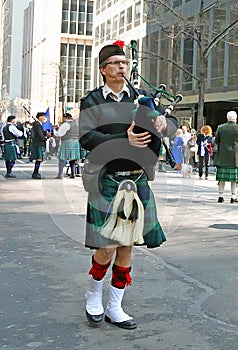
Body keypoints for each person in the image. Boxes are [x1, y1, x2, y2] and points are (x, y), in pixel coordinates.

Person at [79, 42, 178, 329]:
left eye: (125, 62)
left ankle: (115, 306)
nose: (122, 67)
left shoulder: (141, 97)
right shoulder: (93, 101)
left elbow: (170, 121)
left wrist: (163, 122)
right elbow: (87, 138)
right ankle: (94, 294)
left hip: (136, 179)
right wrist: (124, 141)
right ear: (103, 70)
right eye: (115, 63)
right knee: (107, 246)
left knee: (126, 247)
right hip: (107, 178)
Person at [215, 111, 238, 203]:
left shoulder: (220, 127)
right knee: (234, 179)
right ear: (235, 118)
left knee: (221, 178)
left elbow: (216, 140)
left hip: (222, 156)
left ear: (227, 118)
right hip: (235, 157)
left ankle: (220, 196)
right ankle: (233, 196)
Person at [53, 113, 80, 179]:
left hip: (67, 141)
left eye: (63, 118)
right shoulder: (77, 124)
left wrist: (54, 130)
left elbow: (59, 134)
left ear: (66, 118)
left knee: (62, 158)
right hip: (76, 141)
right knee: (72, 158)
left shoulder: (66, 124)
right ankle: (73, 173)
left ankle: (60, 174)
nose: (63, 119)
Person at [31, 112, 50, 179]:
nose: (44, 118)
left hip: (39, 143)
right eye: (44, 116)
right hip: (39, 144)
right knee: (39, 159)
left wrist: (45, 133)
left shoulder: (38, 124)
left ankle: (35, 172)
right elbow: (40, 135)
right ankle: (35, 173)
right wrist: (46, 137)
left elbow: (40, 132)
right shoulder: (37, 124)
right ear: (40, 117)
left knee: (39, 159)